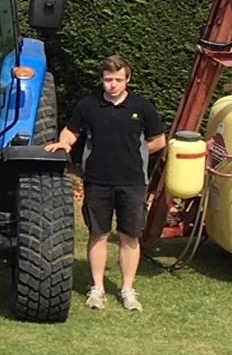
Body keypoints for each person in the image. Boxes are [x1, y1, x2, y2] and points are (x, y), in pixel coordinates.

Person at [49, 55, 167, 311]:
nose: (113, 84)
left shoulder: (142, 107)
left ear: (127, 80)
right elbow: (71, 131)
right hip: (97, 181)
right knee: (98, 234)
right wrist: (64, 143)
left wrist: (135, 152)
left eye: (118, 80)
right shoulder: (89, 105)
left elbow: (159, 140)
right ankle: (97, 288)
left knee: (130, 236)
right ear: (102, 80)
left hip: (133, 182)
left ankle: (128, 290)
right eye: (108, 80)